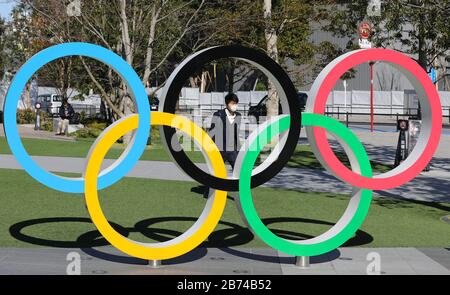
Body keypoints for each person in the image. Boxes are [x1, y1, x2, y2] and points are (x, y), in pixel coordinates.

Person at [209, 93, 242, 169]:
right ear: (227, 104)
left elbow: (236, 133)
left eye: (236, 103)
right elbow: (212, 132)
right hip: (220, 149)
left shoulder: (238, 115)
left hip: (233, 150)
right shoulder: (218, 114)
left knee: (239, 172)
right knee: (217, 173)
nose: (234, 105)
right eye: (232, 103)